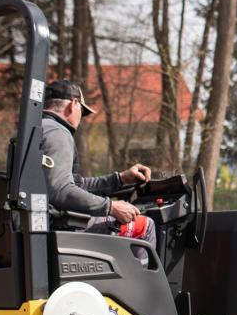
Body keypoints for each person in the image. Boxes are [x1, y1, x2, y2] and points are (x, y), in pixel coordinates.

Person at [40, 80, 156, 258]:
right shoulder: (57, 133)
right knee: (145, 225)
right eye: (82, 112)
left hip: (49, 223)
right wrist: (110, 207)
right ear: (74, 104)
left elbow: (75, 185)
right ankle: (146, 285)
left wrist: (121, 179)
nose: (81, 119)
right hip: (63, 226)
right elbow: (61, 190)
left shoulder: (36, 131)